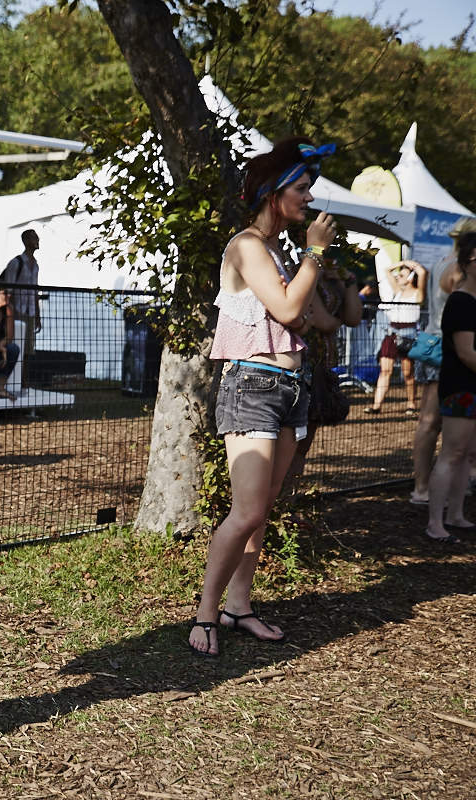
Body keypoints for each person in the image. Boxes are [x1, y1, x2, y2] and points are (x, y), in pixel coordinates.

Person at [189, 137, 336, 658]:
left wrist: (323, 277)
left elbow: (316, 317)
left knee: (264, 507)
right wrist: (315, 254)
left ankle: (238, 605)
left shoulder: (282, 251)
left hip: (291, 389)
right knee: (248, 510)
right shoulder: (247, 245)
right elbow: (287, 310)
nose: (309, 198)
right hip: (252, 385)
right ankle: (206, 612)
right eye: (301, 188)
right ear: (274, 193)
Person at [281, 251, 362, 505]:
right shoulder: (300, 273)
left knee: (303, 444)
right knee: (291, 441)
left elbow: (354, 317)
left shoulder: (330, 277)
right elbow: (322, 321)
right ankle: (280, 505)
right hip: (302, 365)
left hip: (323, 368)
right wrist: (334, 322)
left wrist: (347, 281)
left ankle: (289, 503)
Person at [410, 218, 475, 504]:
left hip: (433, 345)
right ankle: (425, 487)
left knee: (429, 422)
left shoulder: (440, 262)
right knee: (430, 422)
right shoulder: (459, 270)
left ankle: (425, 486)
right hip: (445, 350)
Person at [424, 233, 476, 544]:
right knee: (452, 453)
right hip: (461, 388)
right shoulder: (461, 301)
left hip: (470, 388)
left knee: (468, 455)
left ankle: (455, 515)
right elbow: (466, 352)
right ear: (468, 264)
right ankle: (434, 524)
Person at [368, 260, 426, 414]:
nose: (398, 277)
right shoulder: (397, 291)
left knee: (407, 372)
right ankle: (376, 405)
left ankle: (411, 403)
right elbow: (387, 269)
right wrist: (404, 262)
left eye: (402, 275)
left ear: (411, 278)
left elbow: (423, 274)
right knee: (385, 370)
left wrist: (416, 267)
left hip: (408, 334)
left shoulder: (417, 293)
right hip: (392, 332)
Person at [3, 229, 41, 383]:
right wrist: (12, 313)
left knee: (28, 350)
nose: (37, 240)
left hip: (30, 311)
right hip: (17, 311)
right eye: (33, 238)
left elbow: (35, 291)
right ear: (25, 241)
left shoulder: (36, 265)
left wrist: (38, 316)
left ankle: (23, 382)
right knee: (16, 345)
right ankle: (12, 380)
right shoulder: (16, 263)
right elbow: (8, 290)